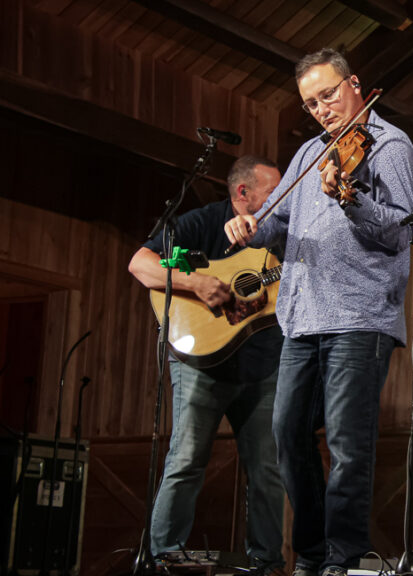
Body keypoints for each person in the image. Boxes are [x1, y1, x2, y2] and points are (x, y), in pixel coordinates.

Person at [224, 48, 413, 576]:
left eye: (329, 94)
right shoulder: (310, 151)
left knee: (348, 445)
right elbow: (276, 220)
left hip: (359, 317)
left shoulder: (391, 146)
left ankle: (341, 557)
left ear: (354, 83)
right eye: (312, 102)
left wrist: (348, 198)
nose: (322, 109)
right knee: (287, 435)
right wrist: (248, 225)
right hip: (301, 316)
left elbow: (401, 230)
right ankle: (310, 552)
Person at [128, 155, 286, 570]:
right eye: (273, 192)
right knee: (186, 460)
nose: (282, 199)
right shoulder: (202, 222)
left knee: (268, 469)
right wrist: (195, 281)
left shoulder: (282, 236)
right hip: (201, 362)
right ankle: (165, 557)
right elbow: (141, 265)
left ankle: (267, 563)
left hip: (263, 366)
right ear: (243, 193)